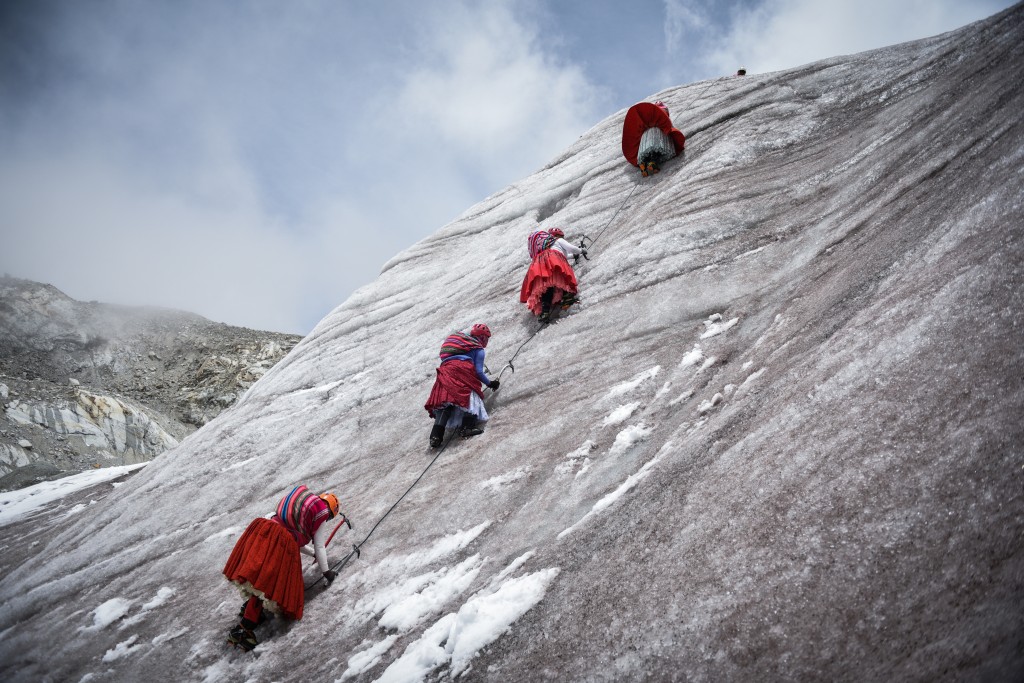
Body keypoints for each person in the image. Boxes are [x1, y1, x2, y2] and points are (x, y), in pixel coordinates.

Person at [222, 485, 341, 651]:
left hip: (265, 529)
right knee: (267, 584)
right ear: (330, 513)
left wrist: (312, 554)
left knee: (258, 578)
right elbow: (319, 546)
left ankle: (249, 609)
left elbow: (292, 536)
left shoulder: (304, 506)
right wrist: (327, 572)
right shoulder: (321, 515)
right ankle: (243, 629)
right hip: (278, 543)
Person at [425, 324, 498, 447]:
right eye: (486, 338)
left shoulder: (461, 344)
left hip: (446, 371)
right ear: (481, 337)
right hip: (463, 371)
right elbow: (479, 372)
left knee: (446, 401)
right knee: (469, 398)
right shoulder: (478, 349)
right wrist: (490, 383)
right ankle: (466, 428)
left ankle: (435, 436)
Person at [519, 228, 585, 323]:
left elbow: (563, 254)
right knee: (563, 278)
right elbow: (571, 249)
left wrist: (573, 256)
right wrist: (581, 250)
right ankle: (567, 299)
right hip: (554, 259)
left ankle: (545, 311)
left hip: (540, 265)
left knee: (548, 287)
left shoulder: (545, 247)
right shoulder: (557, 240)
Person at [621, 100, 686, 177]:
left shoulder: (651, 114)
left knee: (648, 148)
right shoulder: (660, 114)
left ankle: (645, 165)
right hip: (658, 132)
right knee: (657, 148)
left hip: (646, 134)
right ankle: (652, 162)